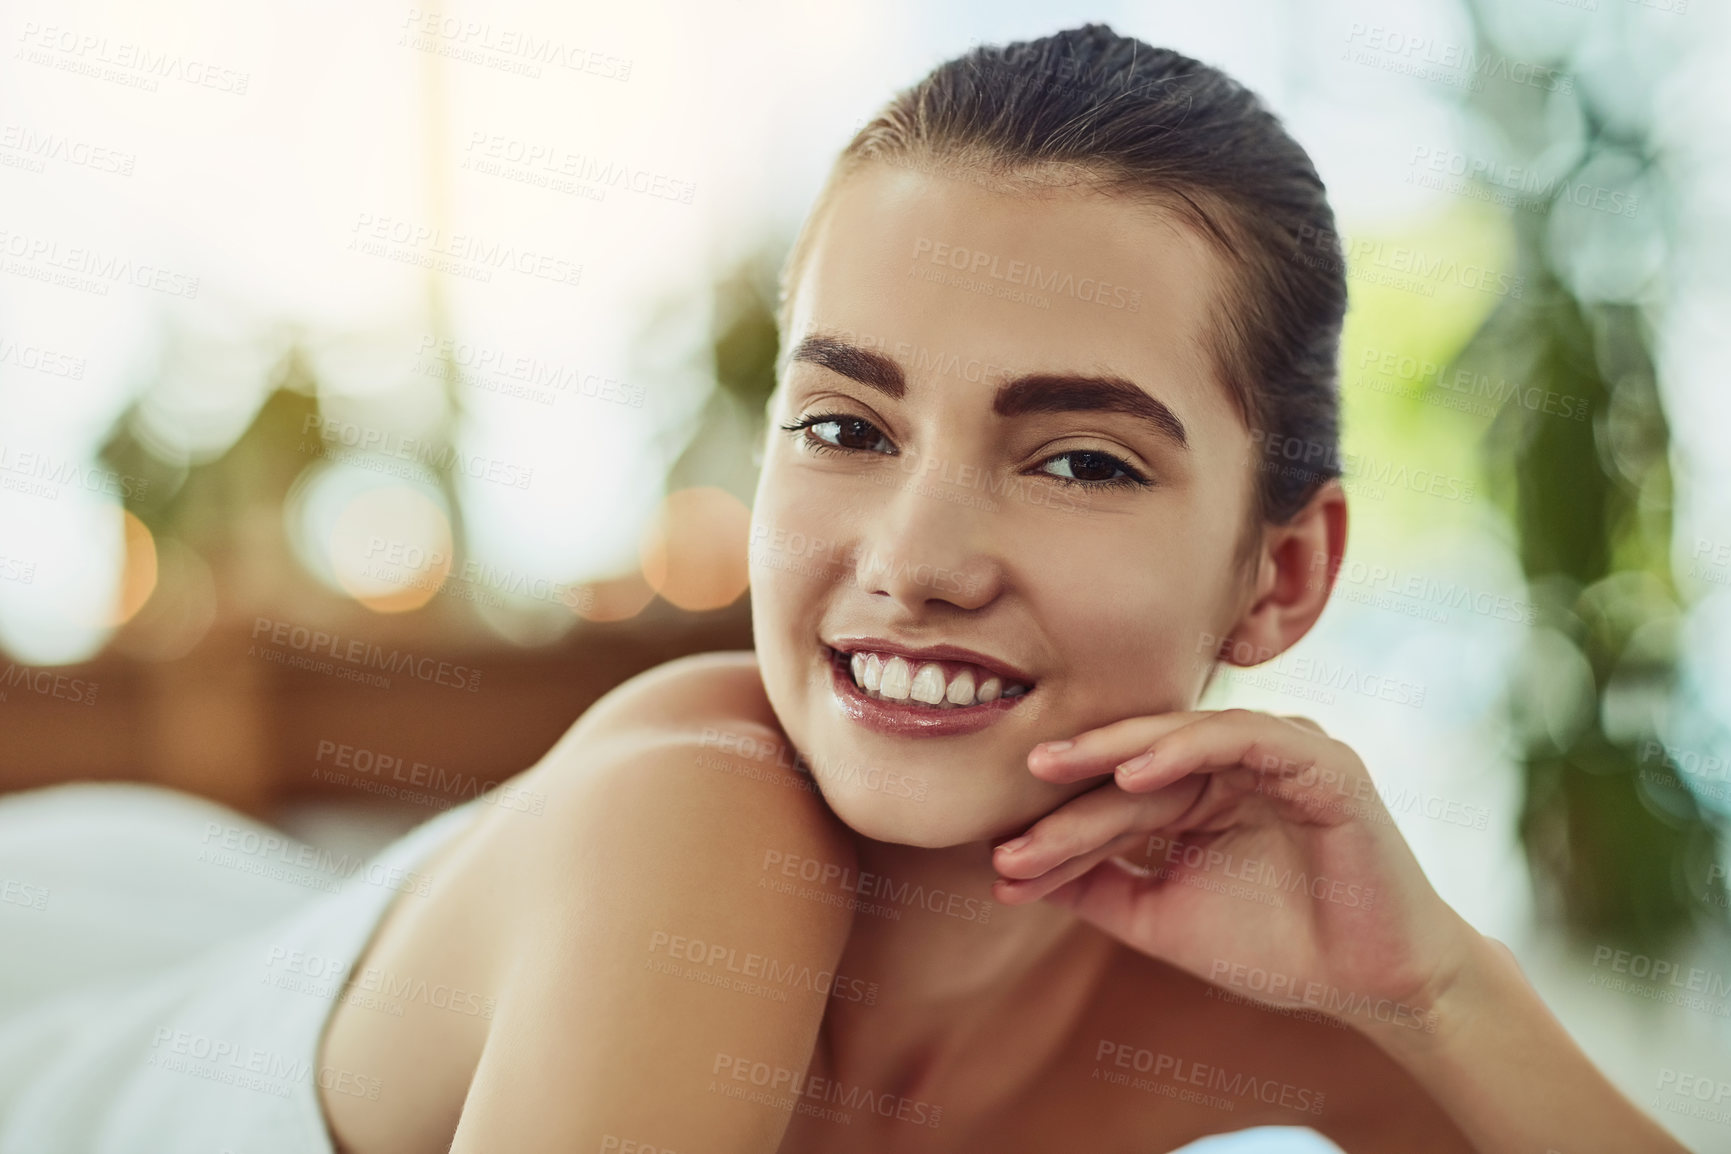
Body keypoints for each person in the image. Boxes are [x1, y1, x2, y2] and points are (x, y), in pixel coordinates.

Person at [0, 24, 1689, 1154]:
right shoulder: (700, 822)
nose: (914, 559)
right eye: (844, 422)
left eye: (1079, 458)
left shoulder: (1263, 998)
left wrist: (1440, 989)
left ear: (1283, 570)